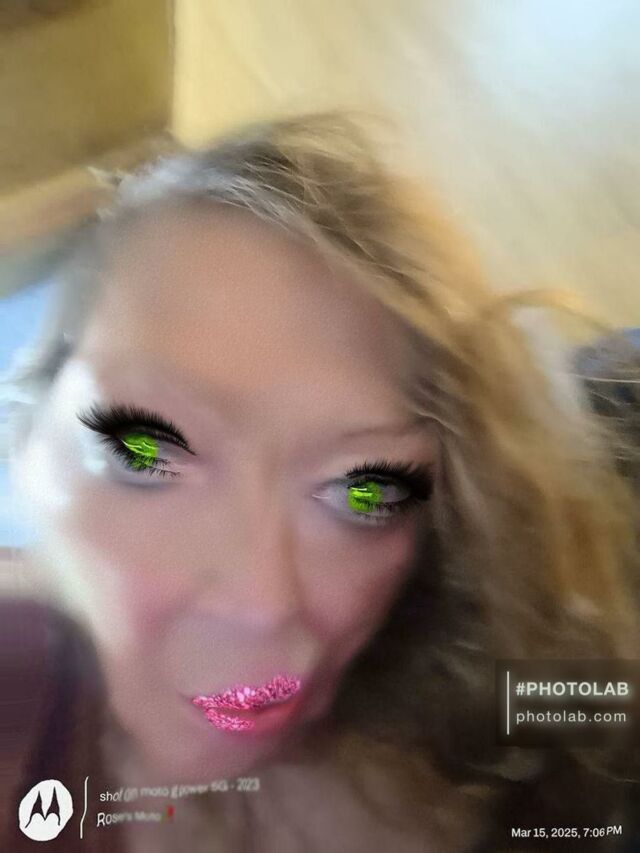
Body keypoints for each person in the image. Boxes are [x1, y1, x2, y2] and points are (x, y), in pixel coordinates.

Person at [1, 111, 638, 852]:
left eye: (364, 492)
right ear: (23, 434)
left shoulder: (504, 688)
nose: (263, 604)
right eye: (143, 454)